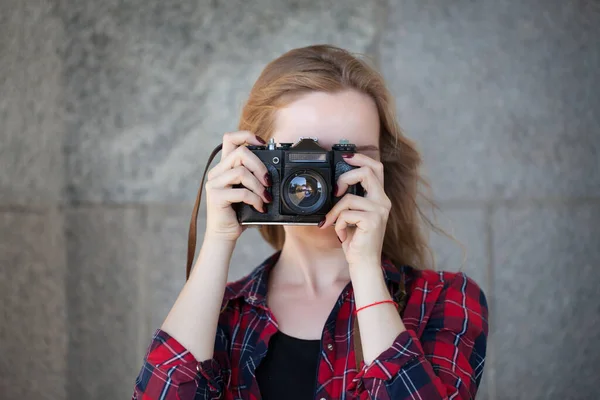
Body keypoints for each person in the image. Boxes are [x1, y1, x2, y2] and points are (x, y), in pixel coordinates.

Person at [132, 45, 488, 400]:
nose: (321, 181)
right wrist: (218, 239)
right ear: (255, 161)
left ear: (382, 169)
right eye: (303, 156)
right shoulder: (219, 315)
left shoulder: (444, 299)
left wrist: (364, 266)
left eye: (349, 157)